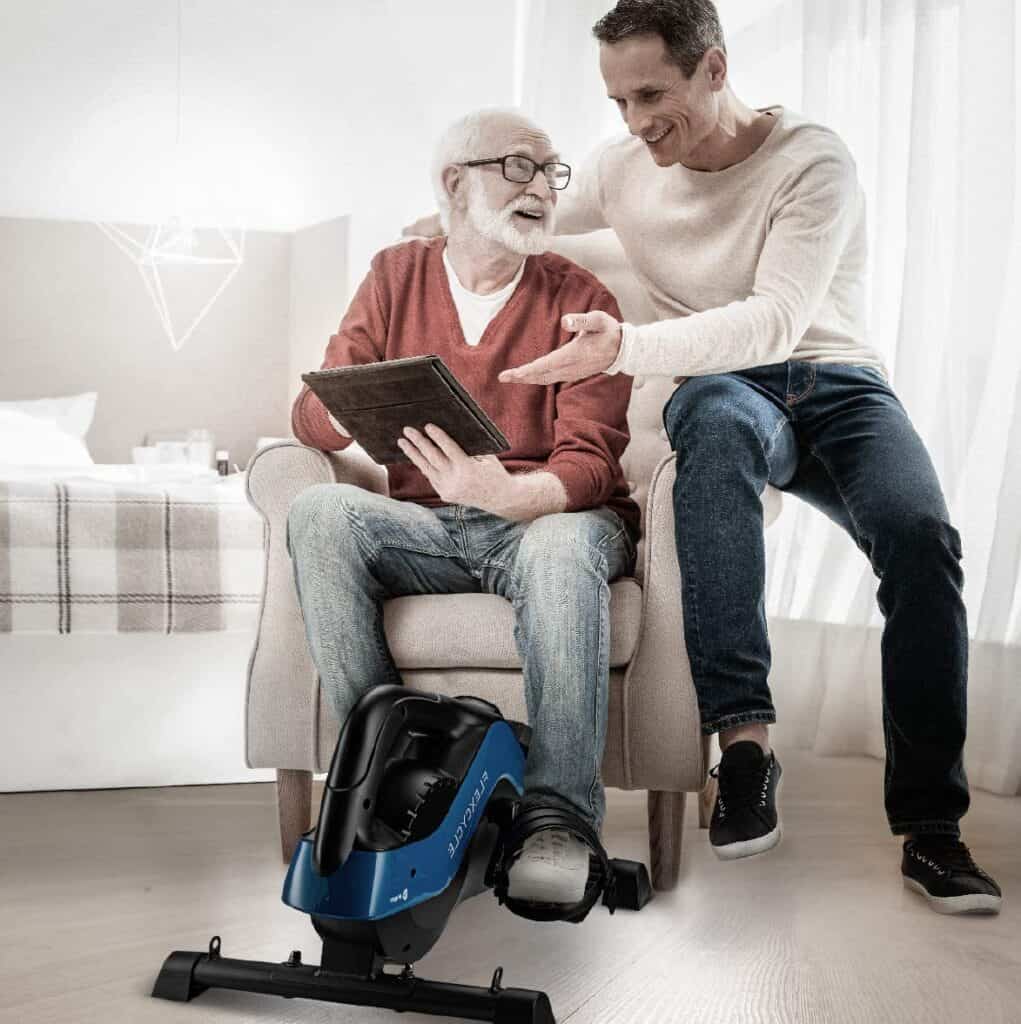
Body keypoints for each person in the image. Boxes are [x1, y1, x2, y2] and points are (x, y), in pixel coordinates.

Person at [475, 0, 1000, 914]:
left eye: (651, 94)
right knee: (712, 424)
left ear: (713, 70)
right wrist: (446, 220)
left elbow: (775, 320)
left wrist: (624, 347)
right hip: (723, 389)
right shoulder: (622, 166)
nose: (636, 123)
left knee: (922, 541)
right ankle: (744, 748)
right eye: (618, 101)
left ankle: (931, 832)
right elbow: (532, 220)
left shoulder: (811, 162)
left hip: (832, 381)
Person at [287, 107, 641, 906]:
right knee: (319, 514)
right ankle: (380, 778)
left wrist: (515, 496)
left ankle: (557, 818)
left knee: (557, 545)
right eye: (520, 166)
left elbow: (590, 464)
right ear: (455, 183)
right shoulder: (393, 274)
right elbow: (311, 413)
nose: (543, 188)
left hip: (549, 526)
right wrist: (347, 407)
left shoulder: (583, 298)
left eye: (552, 172)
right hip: (432, 527)